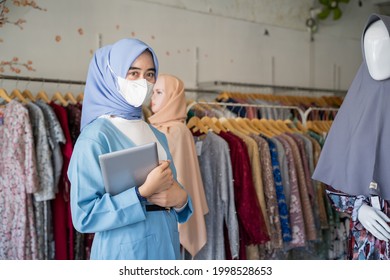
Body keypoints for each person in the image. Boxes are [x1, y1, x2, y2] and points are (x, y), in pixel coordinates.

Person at [67, 38, 193, 260]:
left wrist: (181, 198)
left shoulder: (157, 134)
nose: (143, 82)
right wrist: (140, 193)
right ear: (111, 75)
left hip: (166, 246)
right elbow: (84, 216)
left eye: (150, 74)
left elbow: (172, 191)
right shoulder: (95, 138)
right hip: (124, 253)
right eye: (133, 73)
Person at [312, 14, 390, 260]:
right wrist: (359, 208)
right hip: (368, 240)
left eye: (385, 46)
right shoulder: (356, 106)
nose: (376, 55)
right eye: (370, 45)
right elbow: (335, 173)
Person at [148, 74, 209, 258]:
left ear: (173, 97)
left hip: (168, 209)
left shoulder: (175, 131)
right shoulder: (160, 127)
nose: (152, 98)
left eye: (159, 92)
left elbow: (177, 175)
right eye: (153, 92)